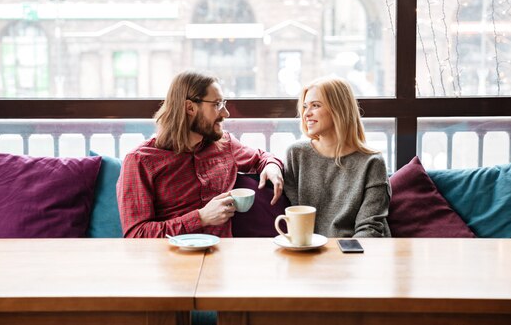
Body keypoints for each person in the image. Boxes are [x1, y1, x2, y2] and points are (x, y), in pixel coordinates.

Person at [117, 70, 284, 238]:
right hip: (170, 260)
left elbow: (261, 157)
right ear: (190, 107)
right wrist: (201, 218)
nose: (225, 113)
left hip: (222, 256)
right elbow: (135, 235)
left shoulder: (224, 145)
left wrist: (272, 166)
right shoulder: (139, 161)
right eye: (217, 104)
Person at [283, 76, 391, 238]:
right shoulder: (296, 154)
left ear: (339, 109)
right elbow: (295, 218)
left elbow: (369, 228)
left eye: (316, 105)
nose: (306, 114)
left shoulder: (372, 162)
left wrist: (340, 260)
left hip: (357, 252)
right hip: (309, 250)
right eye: (305, 107)